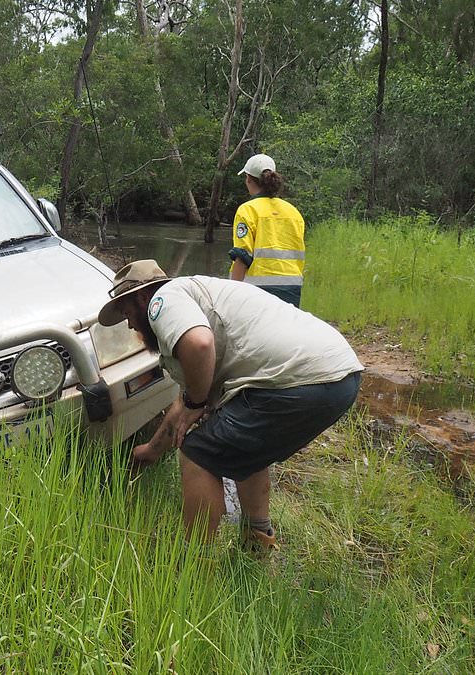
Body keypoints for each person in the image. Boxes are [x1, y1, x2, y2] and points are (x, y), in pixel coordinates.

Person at [98, 259, 362, 550]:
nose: (130, 323)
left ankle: (195, 565)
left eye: (127, 313)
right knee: (243, 449)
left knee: (198, 451)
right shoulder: (199, 295)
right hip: (341, 377)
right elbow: (184, 404)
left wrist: (196, 401)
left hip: (299, 381)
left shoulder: (164, 299)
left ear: (143, 297)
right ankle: (257, 544)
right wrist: (151, 450)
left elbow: (199, 345)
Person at [228, 153, 306, 307]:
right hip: (292, 288)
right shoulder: (293, 212)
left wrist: (230, 296)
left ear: (249, 179)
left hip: (257, 291)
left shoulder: (247, 210)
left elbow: (242, 257)